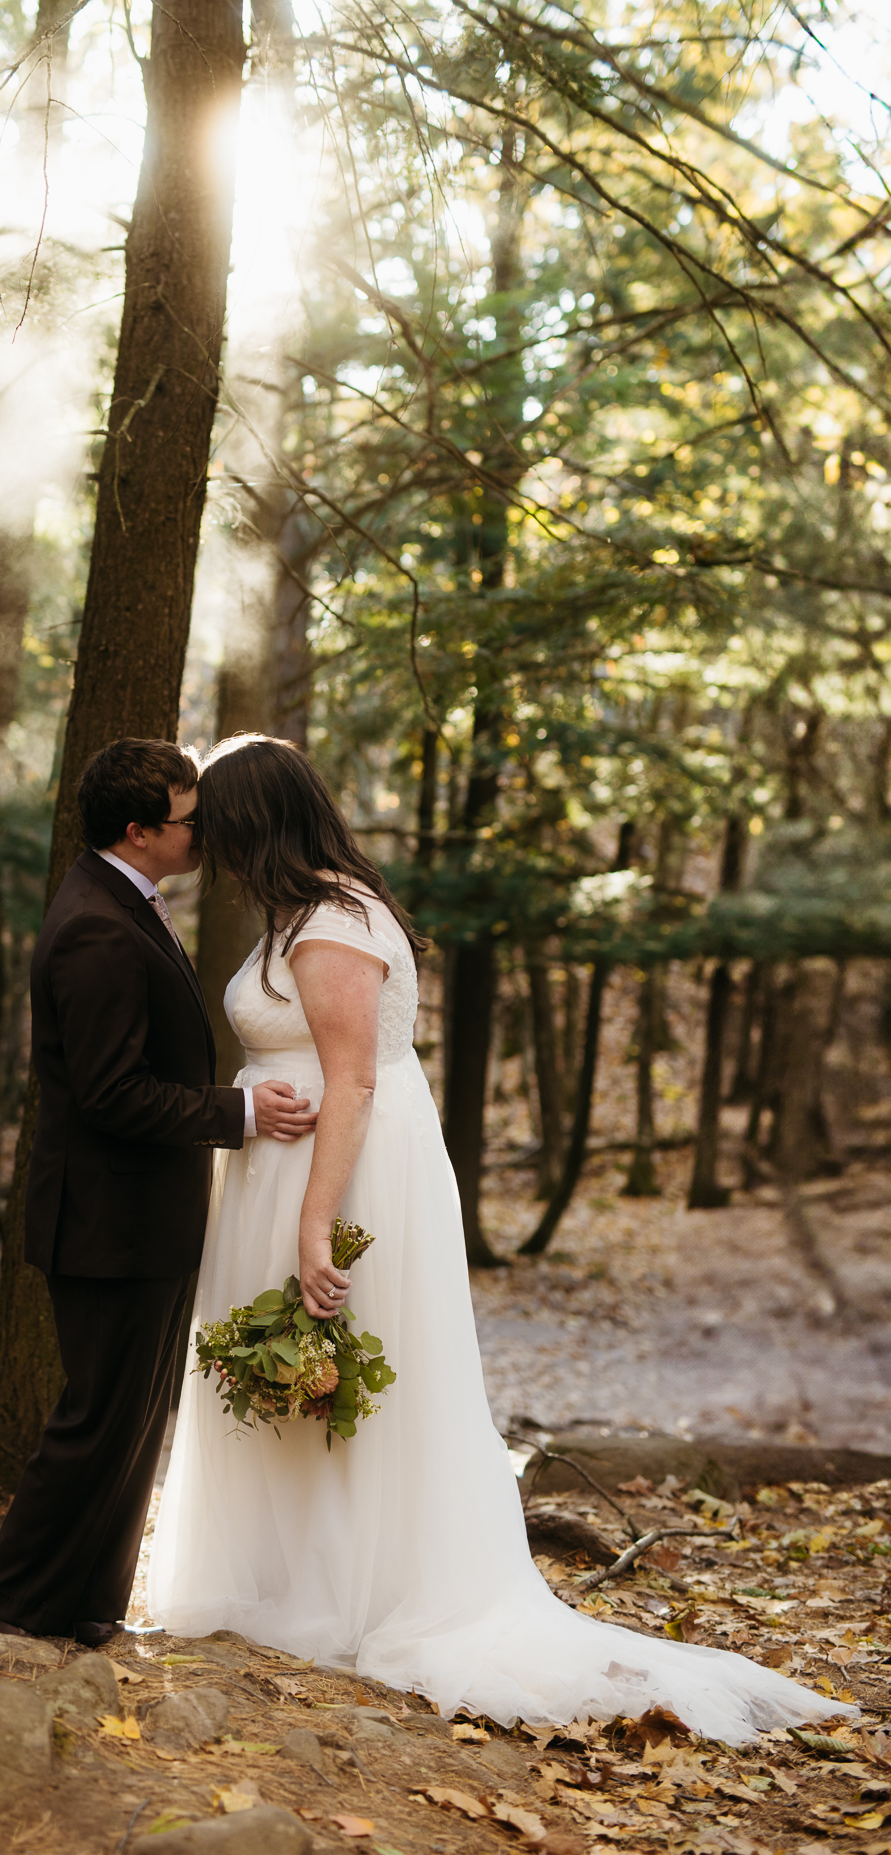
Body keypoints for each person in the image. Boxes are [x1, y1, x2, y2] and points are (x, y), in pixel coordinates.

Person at [147, 734, 844, 1744]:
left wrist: (315, 1223)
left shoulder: (333, 920)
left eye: (215, 818)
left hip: (334, 1173)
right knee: (299, 1382)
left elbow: (353, 1077)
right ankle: (293, 1575)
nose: (202, 837)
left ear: (255, 820)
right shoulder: (302, 911)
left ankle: (348, 1590)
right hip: (288, 1166)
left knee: (341, 1375)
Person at [0, 737, 315, 1648]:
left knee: (128, 1429)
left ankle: (81, 1610)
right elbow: (110, 1093)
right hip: (107, 1223)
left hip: (141, 1219)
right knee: (93, 1425)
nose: (205, 834)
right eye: (190, 821)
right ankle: (0, 1614)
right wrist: (233, 1113)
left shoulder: (128, 903)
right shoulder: (95, 927)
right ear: (138, 829)